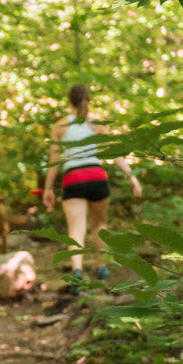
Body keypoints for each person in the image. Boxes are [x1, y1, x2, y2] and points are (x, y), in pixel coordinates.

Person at [42, 84, 141, 292]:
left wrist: (48, 189)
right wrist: (131, 176)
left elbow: (54, 159)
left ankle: (77, 273)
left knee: (75, 231)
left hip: (73, 178)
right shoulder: (97, 123)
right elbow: (115, 152)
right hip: (97, 176)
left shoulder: (59, 126)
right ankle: (101, 267)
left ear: (70, 101)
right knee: (99, 224)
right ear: (89, 100)